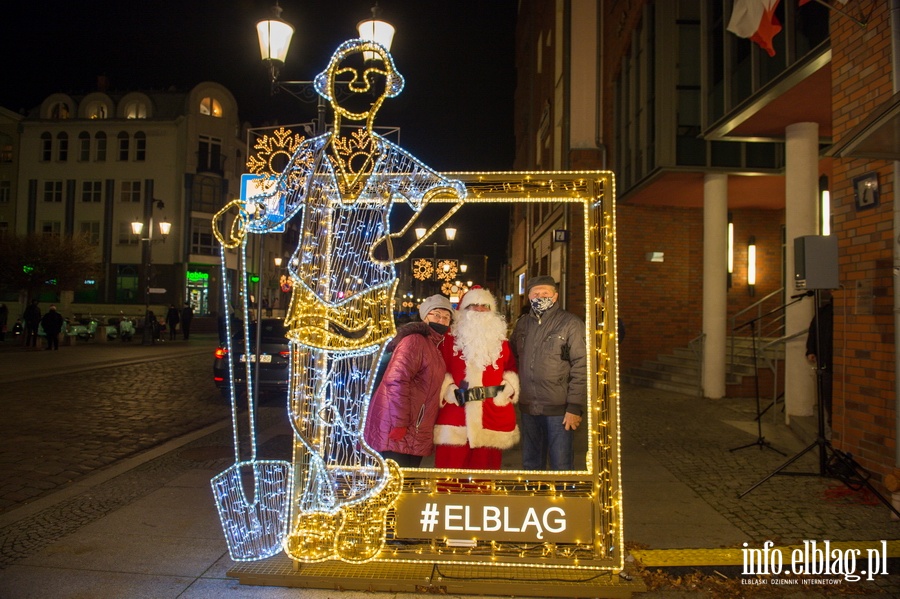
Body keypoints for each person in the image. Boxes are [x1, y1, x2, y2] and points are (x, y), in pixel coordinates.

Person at [435, 286, 519, 470]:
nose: (479, 309)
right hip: (456, 414)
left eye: (484, 305)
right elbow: (438, 369)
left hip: (491, 414)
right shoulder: (449, 340)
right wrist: (449, 391)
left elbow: (511, 368)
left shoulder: (500, 341)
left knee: (485, 472)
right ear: (463, 310)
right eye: (473, 305)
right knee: (450, 472)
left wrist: (505, 391)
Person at [363, 295, 453, 468]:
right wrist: (399, 423)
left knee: (406, 484)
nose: (441, 320)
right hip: (400, 428)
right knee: (395, 485)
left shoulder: (433, 346)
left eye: (446, 317)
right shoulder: (415, 341)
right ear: (425, 316)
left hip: (415, 429)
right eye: (436, 314)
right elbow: (397, 381)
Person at [511, 276, 587, 471]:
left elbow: (581, 365)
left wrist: (574, 407)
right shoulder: (522, 325)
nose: (540, 297)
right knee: (531, 463)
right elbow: (515, 358)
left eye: (545, 293)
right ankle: (533, 497)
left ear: (555, 296)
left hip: (559, 409)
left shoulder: (570, 323)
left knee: (560, 464)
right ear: (528, 297)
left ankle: (561, 499)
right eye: (536, 293)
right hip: (529, 407)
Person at [806, 291, 834, 431]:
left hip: (837, 359)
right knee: (827, 394)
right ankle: (831, 421)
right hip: (826, 360)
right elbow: (813, 332)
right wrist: (811, 350)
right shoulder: (823, 312)